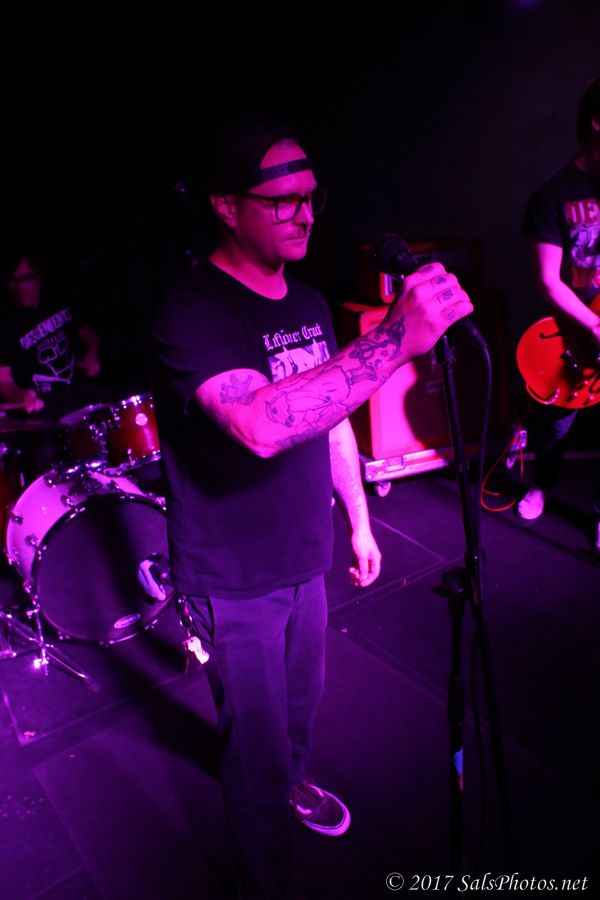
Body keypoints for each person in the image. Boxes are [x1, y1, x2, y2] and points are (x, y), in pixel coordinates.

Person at [152, 116, 473, 900]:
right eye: (282, 200)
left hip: (305, 555)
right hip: (233, 576)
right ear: (226, 206)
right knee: (253, 745)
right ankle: (264, 877)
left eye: (310, 198)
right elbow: (261, 424)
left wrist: (359, 521)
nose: (303, 214)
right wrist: (392, 340)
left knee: (299, 712)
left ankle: (289, 785)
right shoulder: (192, 309)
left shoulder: (309, 302)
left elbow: (332, 421)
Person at [518, 76, 600, 549]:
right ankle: (540, 484)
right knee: (556, 424)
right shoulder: (553, 194)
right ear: (596, 121)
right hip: (572, 330)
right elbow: (548, 280)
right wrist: (593, 324)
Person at [0, 245, 102, 418]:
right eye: (13, 282)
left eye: (26, 279)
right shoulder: (4, 322)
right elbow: (3, 380)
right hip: (43, 408)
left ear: (38, 277)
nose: (20, 288)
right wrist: (20, 395)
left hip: (80, 391)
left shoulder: (57, 297)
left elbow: (87, 333)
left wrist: (92, 354)